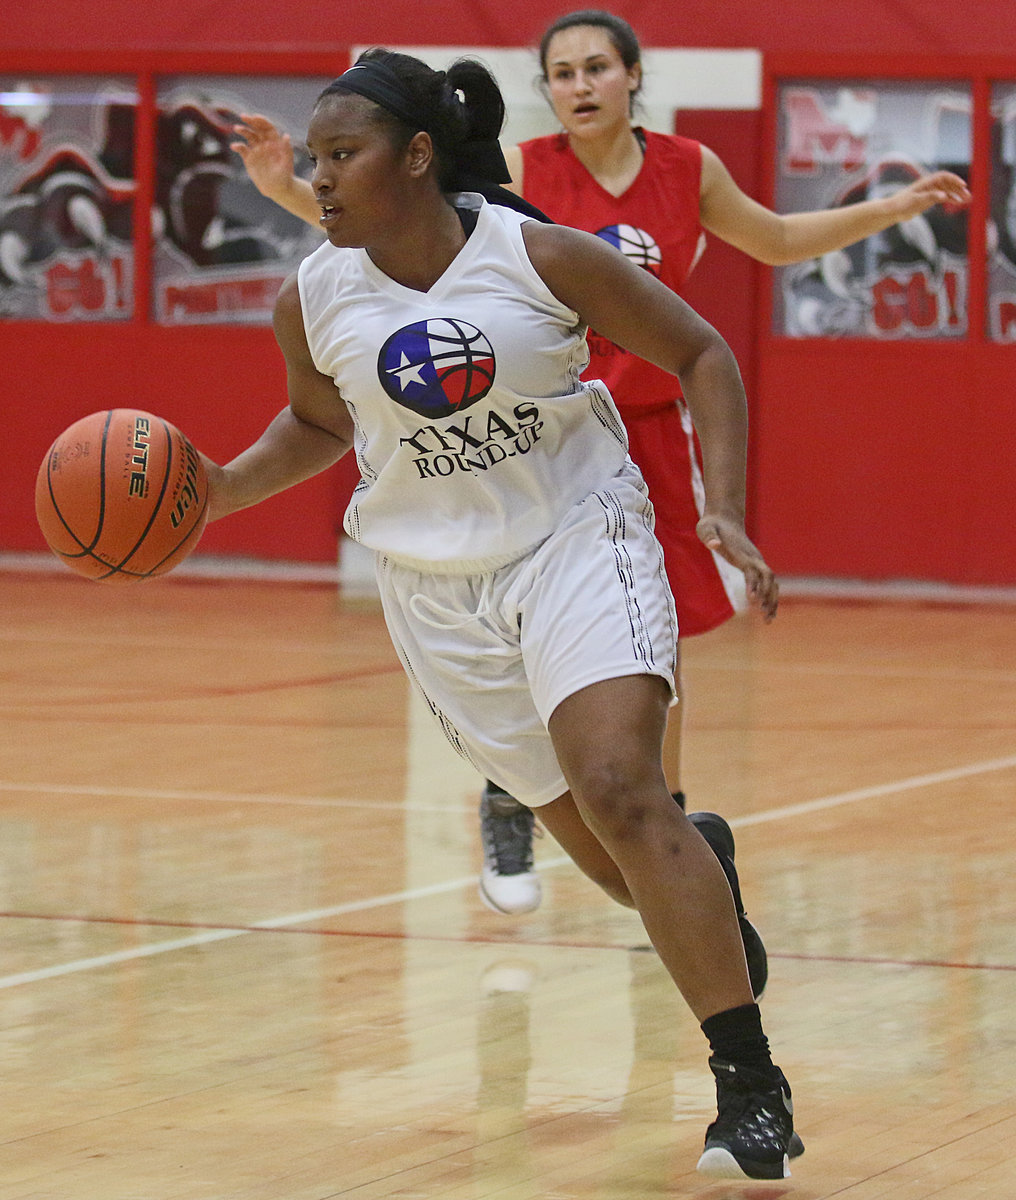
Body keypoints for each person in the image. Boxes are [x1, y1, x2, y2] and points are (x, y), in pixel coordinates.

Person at [230, 11, 971, 927]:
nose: (578, 86)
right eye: (560, 73)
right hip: (529, 434)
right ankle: (513, 802)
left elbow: (776, 240)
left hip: (646, 435)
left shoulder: (686, 169)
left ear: (631, 77)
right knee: (531, 660)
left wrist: (893, 209)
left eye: (594, 68)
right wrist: (287, 192)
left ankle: (674, 835)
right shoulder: (527, 171)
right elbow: (393, 224)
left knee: (648, 662)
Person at [208, 47, 801, 1180]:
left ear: (417, 157)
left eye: (343, 156)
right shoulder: (313, 293)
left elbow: (700, 351)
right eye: (315, 161)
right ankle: (700, 870)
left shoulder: (535, 253)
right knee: (615, 859)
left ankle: (748, 1086)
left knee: (626, 789)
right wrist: (223, 489)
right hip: (435, 592)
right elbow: (320, 423)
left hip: (577, 535)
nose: (319, 180)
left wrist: (719, 512)